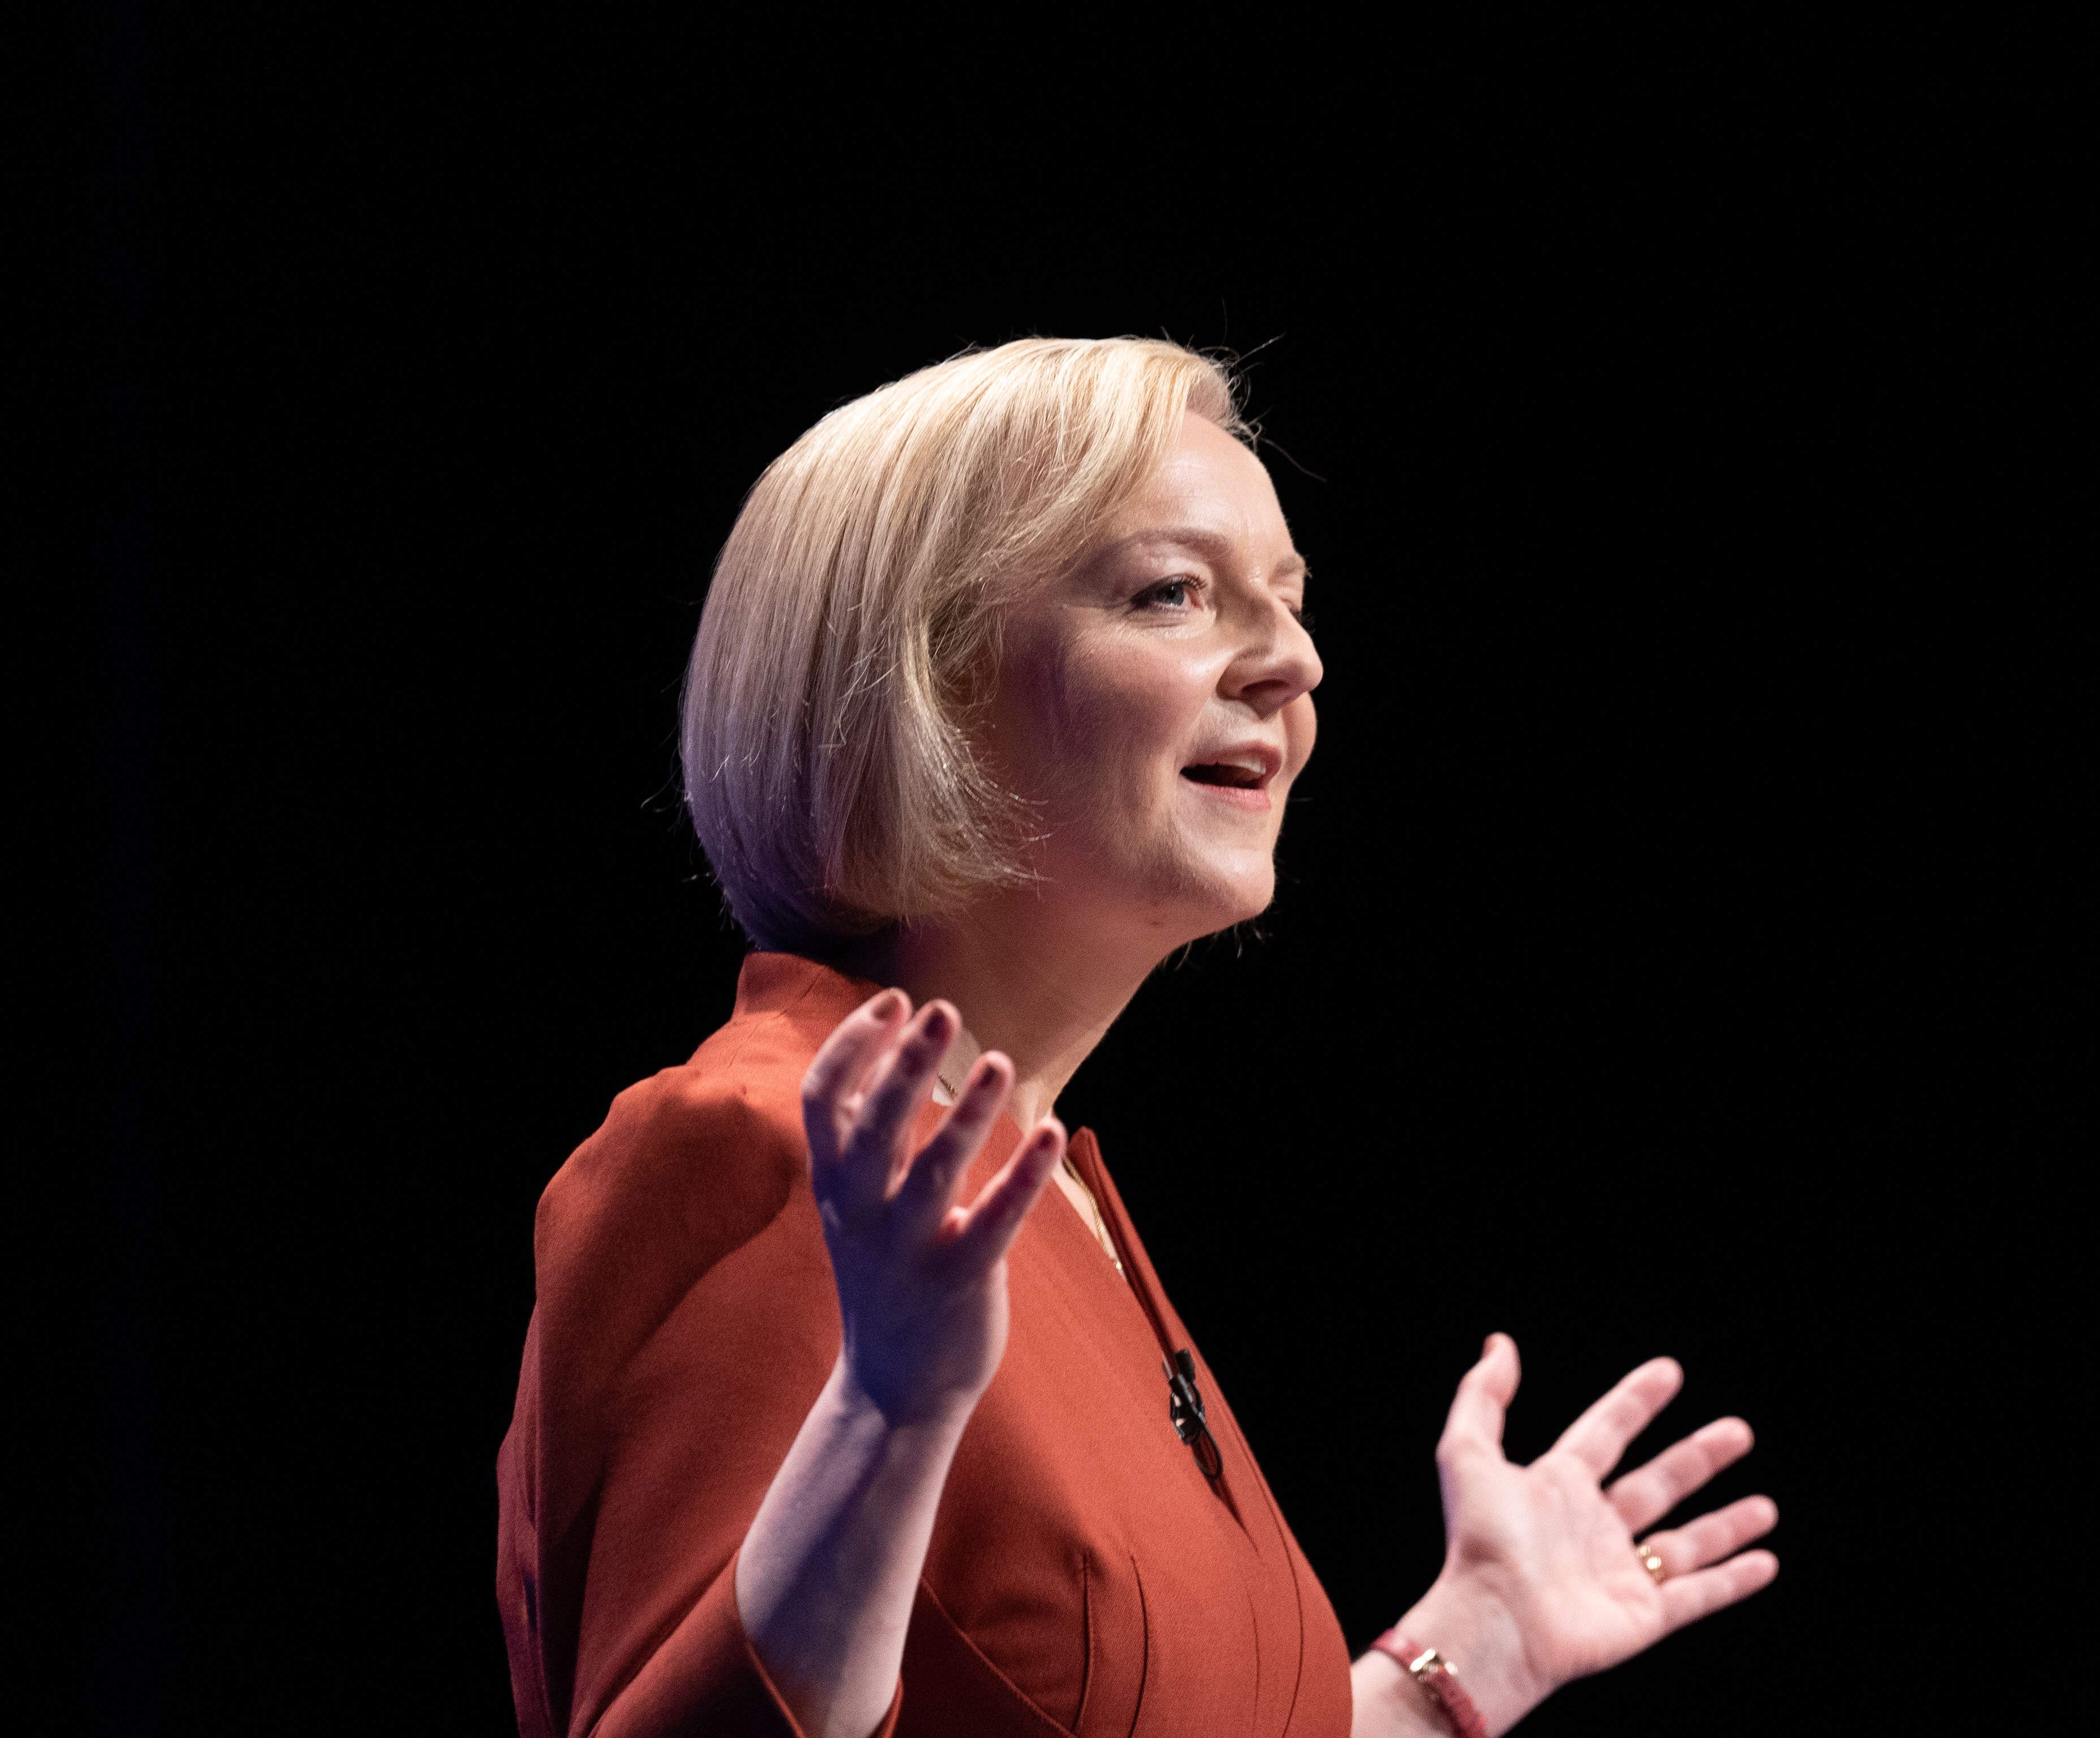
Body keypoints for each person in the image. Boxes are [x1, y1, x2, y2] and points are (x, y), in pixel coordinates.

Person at [496, 337, 1778, 1738]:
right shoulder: (761, 1142)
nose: (1295, 662)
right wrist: (886, 1414)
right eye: (1173, 593)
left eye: (1288, 605)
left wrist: (1459, 1663)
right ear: (925, 685)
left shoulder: (1055, 1200)